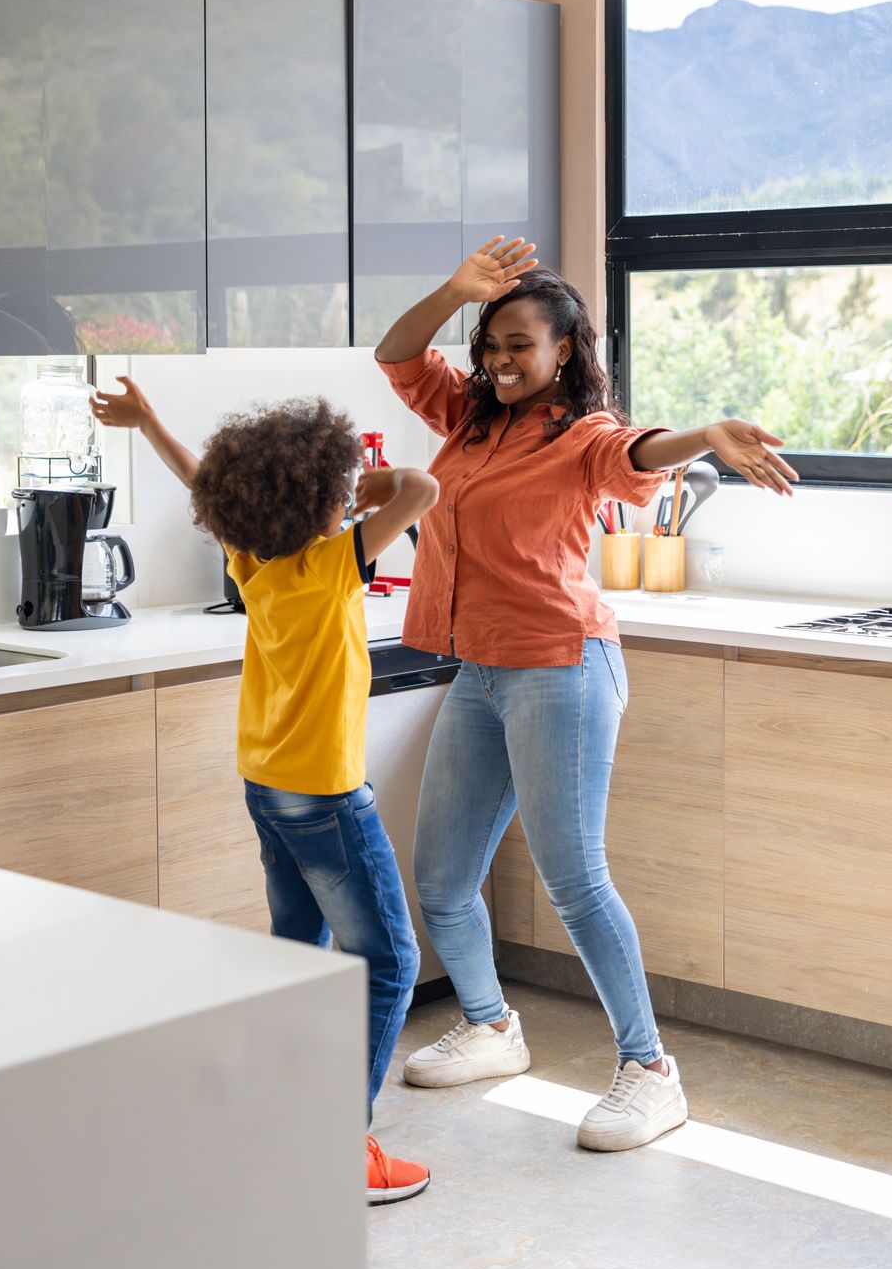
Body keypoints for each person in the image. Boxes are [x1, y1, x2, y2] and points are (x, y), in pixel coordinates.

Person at [375, 238, 797, 1152]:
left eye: (517, 345)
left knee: (575, 880)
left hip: (560, 666)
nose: (497, 362)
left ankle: (649, 1073)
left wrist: (704, 434)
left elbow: (637, 449)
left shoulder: (581, 436)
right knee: (442, 880)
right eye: (489, 345)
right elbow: (397, 354)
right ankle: (490, 1026)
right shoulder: (466, 419)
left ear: (563, 349)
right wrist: (455, 290)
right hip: (477, 670)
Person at [91, 376, 442, 1206]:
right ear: (324, 505)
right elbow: (424, 487)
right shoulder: (329, 564)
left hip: (266, 787)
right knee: (388, 962)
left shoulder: (250, 562)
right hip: (324, 798)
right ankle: (336, 1143)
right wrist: (361, 486)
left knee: (297, 953)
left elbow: (204, 489)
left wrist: (150, 423)